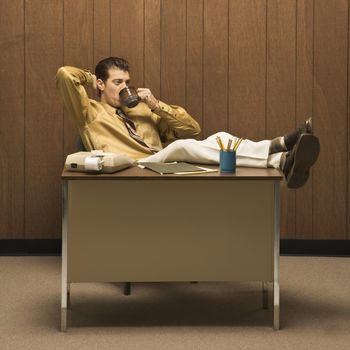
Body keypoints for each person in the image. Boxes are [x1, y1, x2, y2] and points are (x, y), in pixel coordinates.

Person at [56, 56, 320, 189]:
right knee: (184, 146)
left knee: (221, 137)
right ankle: (280, 150)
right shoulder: (88, 113)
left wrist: (156, 105)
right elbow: (65, 75)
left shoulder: (143, 112)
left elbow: (193, 128)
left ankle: (280, 156)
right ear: (101, 84)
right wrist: (93, 78)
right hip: (132, 171)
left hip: (161, 167)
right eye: (117, 83)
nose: (125, 88)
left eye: (127, 82)